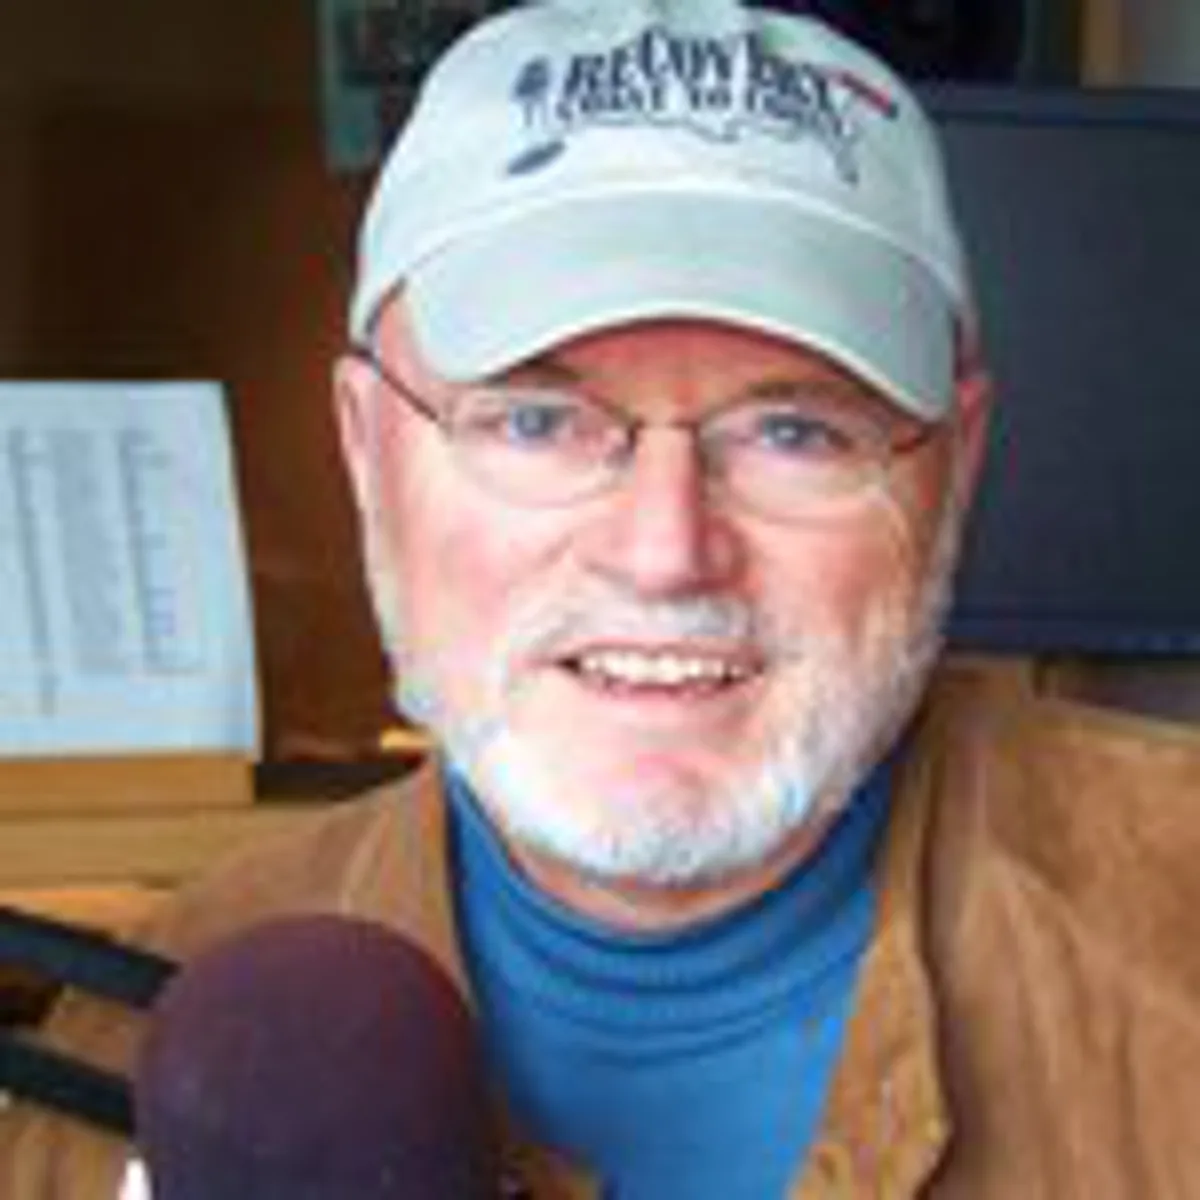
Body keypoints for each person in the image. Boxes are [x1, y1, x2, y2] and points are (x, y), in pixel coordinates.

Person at [5, 1, 1200, 1196]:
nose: (665, 552)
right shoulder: (144, 1057)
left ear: (958, 467)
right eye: (536, 422)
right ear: (368, 452)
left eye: (793, 431)